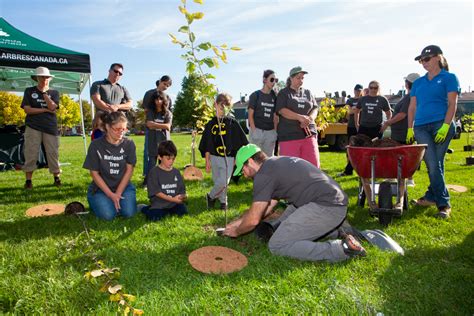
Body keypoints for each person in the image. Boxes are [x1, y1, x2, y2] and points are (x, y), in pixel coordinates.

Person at [223, 144, 366, 262]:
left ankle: (342, 249)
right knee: (284, 225)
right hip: (330, 202)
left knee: (278, 245)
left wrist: (237, 231)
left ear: (251, 162)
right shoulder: (275, 164)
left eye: (243, 169)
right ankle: (337, 231)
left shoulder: (264, 175)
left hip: (326, 207)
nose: (245, 175)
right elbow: (267, 207)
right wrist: (239, 222)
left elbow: (254, 220)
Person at [407, 45, 459, 218]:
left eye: (426, 59)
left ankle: (442, 203)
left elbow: (452, 104)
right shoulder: (419, 83)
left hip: (440, 125)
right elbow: (412, 107)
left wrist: (445, 125)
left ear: (438, 58)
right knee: (433, 163)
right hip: (421, 127)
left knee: (435, 163)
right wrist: (409, 127)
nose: (423, 63)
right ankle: (435, 198)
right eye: (421, 60)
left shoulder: (449, 78)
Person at [83, 111, 137, 221]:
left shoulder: (129, 144)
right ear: (107, 127)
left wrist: (118, 193)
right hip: (101, 189)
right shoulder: (96, 145)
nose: (121, 133)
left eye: (124, 129)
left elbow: (129, 170)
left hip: (123, 186)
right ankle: (96, 201)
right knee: (108, 216)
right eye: (117, 129)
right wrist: (111, 195)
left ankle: (118, 203)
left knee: (129, 213)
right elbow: (94, 173)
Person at [198, 93, 248, 210]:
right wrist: (207, 161)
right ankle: (223, 202)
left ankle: (210, 196)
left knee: (224, 181)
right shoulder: (210, 124)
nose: (223, 110)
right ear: (215, 105)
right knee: (217, 180)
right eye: (221, 107)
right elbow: (207, 143)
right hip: (214, 157)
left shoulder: (232, 123)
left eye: (226, 108)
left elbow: (239, 142)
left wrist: (237, 158)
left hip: (228, 157)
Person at [21, 66, 61, 189]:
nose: (44, 79)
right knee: (31, 153)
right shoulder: (29, 91)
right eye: (42, 77)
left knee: (53, 153)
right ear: (36, 78)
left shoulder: (54, 93)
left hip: (50, 127)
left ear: (50, 78)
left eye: (47, 77)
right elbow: (27, 110)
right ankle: (28, 181)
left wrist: (44, 93)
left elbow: (53, 107)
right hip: (33, 127)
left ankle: (57, 178)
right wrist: (44, 109)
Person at [381, 73, 420, 187]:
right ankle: (395, 177)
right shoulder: (409, 96)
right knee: (399, 155)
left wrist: (388, 122)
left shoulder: (410, 97)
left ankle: (409, 179)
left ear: (407, 84)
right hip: (400, 131)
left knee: (405, 155)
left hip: (404, 131)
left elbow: (402, 114)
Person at [276, 66, 320, 168]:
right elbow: (282, 110)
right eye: (298, 77)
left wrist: (310, 119)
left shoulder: (308, 93)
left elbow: (315, 108)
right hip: (289, 136)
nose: (301, 80)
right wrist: (299, 117)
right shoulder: (284, 93)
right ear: (291, 78)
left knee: (313, 167)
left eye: (302, 78)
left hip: (309, 135)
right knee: (290, 169)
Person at [142, 140, 188, 221]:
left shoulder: (176, 172)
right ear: (160, 157)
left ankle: (169, 211)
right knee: (155, 218)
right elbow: (157, 192)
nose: (171, 161)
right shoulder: (154, 172)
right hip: (159, 205)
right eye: (168, 159)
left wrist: (183, 196)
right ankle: (145, 208)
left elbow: (182, 190)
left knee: (183, 212)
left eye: (173, 159)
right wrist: (173, 199)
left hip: (174, 204)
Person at [142, 76, 173, 179]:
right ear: (160, 81)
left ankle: (162, 176)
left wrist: (157, 124)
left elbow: (168, 117)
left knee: (163, 154)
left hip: (163, 134)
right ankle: (147, 175)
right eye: (164, 84)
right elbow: (147, 112)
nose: (166, 87)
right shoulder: (149, 93)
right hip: (151, 133)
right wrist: (152, 122)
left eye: (168, 86)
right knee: (150, 153)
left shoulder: (168, 97)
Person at [90, 63, 133, 138]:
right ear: (109, 71)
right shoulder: (97, 84)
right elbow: (97, 101)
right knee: (99, 149)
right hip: (101, 126)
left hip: (118, 128)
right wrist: (111, 109)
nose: (118, 74)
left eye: (120, 73)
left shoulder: (123, 89)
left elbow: (130, 104)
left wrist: (117, 106)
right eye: (116, 71)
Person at [248, 70, 278, 157]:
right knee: (255, 161)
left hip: (270, 133)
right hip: (257, 131)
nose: (274, 82)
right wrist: (254, 131)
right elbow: (250, 115)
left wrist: (275, 132)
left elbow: (275, 116)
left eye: (276, 80)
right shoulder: (255, 95)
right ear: (264, 80)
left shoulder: (275, 96)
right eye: (272, 79)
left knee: (268, 162)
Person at [337, 84, 364, 177]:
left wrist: (355, 109)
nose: (358, 92)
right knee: (350, 147)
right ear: (354, 90)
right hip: (352, 126)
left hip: (362, 127)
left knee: (361, 148)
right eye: (357, 90)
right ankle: (349, 167)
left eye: (360, 90)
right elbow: (349, 111)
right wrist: (357, 109)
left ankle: (360, 168)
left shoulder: (363, 99)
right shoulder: (350, 100)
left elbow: (356, 110)